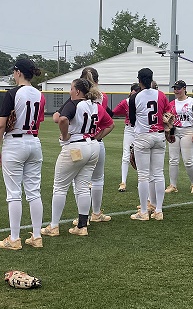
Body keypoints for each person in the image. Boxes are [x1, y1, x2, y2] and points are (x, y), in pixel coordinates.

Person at [0, 57, 46, 250]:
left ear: (18, 72)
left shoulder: (13, 93)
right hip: (34, 141)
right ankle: (37, 236)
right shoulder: (40, 95)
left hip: (15, 143)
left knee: (14, 192)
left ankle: (14, 239)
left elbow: (1, 125)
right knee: (33, 191)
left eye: (14, 72)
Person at [42, 77, 102, 237]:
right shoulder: (94, 104)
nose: (70, 91)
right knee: (82, 186)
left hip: (76, 146)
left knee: (60, 187)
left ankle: (53, 226)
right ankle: (82, 226)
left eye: (71, 88)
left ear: (77, 91)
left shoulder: (74, 103)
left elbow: (62, 119)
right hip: (92, 145)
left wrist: (64, 135)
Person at [129, 67, 170, 221]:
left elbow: (132, 121)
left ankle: (144, 211)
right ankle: (158, 210)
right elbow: (168, 114)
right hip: (159, 135)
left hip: (143, 136)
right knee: (158, 173)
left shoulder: (135, 97)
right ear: (152, 79)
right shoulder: (161, 94)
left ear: (139, 80)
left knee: (143, 175)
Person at [79, 67, 114, 221]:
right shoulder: (102, 97)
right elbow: (108, 122)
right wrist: (98, 136)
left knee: (80, 181)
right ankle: (96, 213)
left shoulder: (78, 96)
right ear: (97, 81)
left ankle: (83, 217)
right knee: (98, 179)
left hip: (79, 142)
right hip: (96, 141)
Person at [165, 80, 193, 195]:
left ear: (184, 88)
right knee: (173, 160)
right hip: (175, 131)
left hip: (188, 130)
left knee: (188, 161)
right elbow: (168, 119)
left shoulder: (192, 102)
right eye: (175, 88)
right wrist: (168, 131)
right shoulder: (172, 103)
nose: (176, 90)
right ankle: (173, 185)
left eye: (178, 88)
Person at [111, 82, 140, 191]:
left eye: (138, 90)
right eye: (135, 90)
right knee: (126, 155)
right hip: (129, 129)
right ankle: (123, 182)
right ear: (131, 91)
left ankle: (141, 181)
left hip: (141, 129)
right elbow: (113, 112)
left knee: (140, 155)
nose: (137, 92)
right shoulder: (126, 102)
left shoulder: (142, 101)